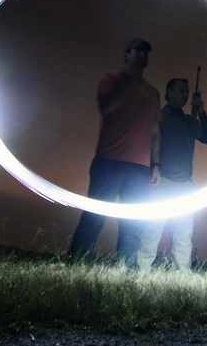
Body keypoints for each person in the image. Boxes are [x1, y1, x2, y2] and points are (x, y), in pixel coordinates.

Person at [68, 38, 161, 264]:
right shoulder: (111, 79)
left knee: (133, 223)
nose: (142, 56)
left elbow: (155, 131)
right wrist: (129, 87)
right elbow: (106, 107)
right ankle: (78, 263)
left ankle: (126, 269)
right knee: (94, 217)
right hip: (109, 161)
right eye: (137, 51)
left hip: (139, 168)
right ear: (126, 55)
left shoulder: (153, 92)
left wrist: (155, 164)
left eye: (145, 52)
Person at [137, 76, 207, 273]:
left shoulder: (190, 122)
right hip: (162, 182)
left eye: (187, 92)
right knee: (152, 230)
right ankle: (142, 272)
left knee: (183, 234)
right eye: (181, 91)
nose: (185, 95)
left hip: (185, 185)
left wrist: (202, 112)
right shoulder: (159, 118)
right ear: (169, 93)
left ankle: (183, 274)